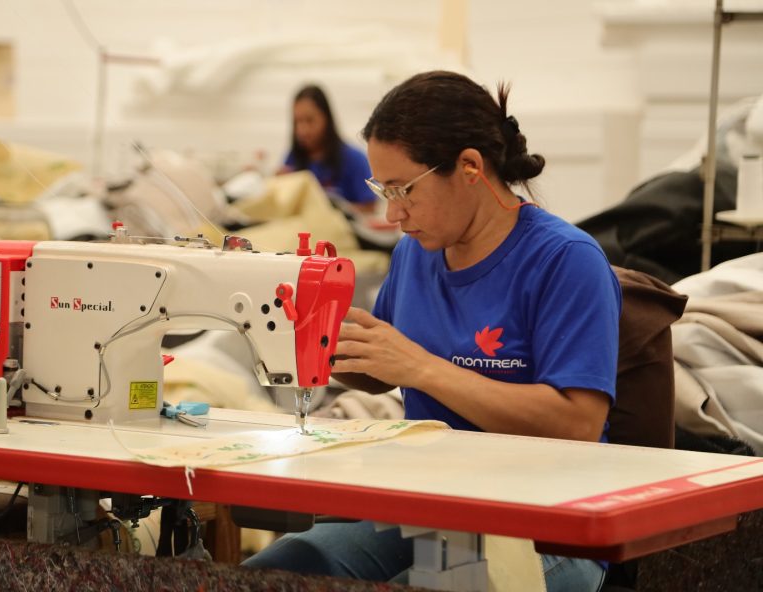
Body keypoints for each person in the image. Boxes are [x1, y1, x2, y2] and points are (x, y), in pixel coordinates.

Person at [244, 71, 620, 592]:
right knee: (271, 574)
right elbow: (386, 371)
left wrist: (423, 368)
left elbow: (578, 423)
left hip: (543, 526)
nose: (393, 214)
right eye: (383, 190)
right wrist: (323, 347)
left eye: (404, 191)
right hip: (434, 510)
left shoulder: (566, 261)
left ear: (469, 167)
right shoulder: (416, 254)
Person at [280, 84, 378, 212]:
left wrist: (330, 212)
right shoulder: (292, 159)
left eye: (309, 120)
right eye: (298, 121)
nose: (302, 130)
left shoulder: (354, 159)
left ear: (326, 118)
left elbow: (369, 207)